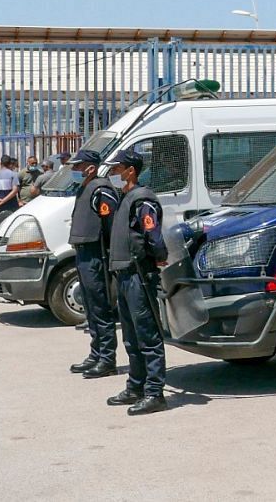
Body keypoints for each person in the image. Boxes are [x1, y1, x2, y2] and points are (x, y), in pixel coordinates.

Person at [103, 148, 168, 415]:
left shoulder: (142, 200)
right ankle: (136, 386)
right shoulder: (125, 198)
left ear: (131, 171)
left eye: (117, 169)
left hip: (139, 275)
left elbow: (152, 235)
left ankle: (155, 393)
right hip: (124, 274)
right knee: (131, 336)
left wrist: (158, 257)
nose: (113, 174)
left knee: (148, 336)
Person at [66, 149, 121, 380]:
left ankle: (107, 359)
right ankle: (96, 353)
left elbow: (111, 224)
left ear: (90, 167)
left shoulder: (101, 189)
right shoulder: (86, 187)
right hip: (84, 252)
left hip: (96, 253)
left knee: (100, 307)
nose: (74, 171)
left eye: (78, 167)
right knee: (90, 307)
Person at [0, 156, 22, 224]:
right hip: (11, 205)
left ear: (0, 163)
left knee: (0, 224)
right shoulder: (13, 174)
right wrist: (4, 200)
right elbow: (15, 190)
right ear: (10, 164)